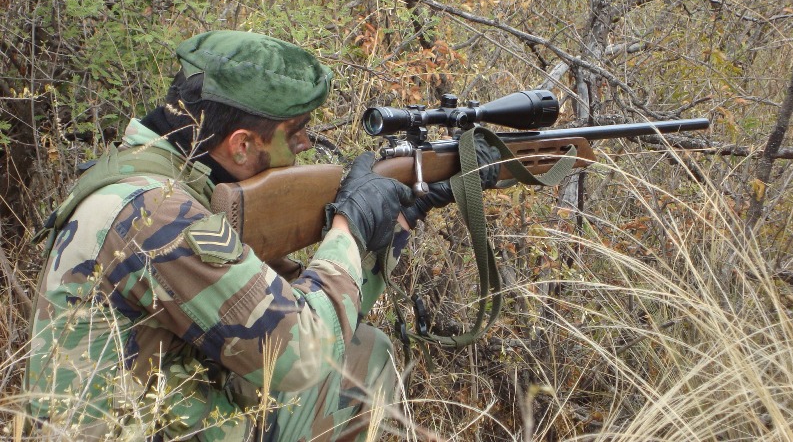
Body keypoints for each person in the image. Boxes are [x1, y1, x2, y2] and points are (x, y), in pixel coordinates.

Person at [24, 30, 498, 441]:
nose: (307, 145)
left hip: (148, 410)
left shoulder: (155, 178)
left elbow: (304, 310)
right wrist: (348, 227)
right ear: (243, 145)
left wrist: (397, 220)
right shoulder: (156, 214)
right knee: (360, 366)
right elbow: (303, 355)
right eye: (295, 134)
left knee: (360, 348)